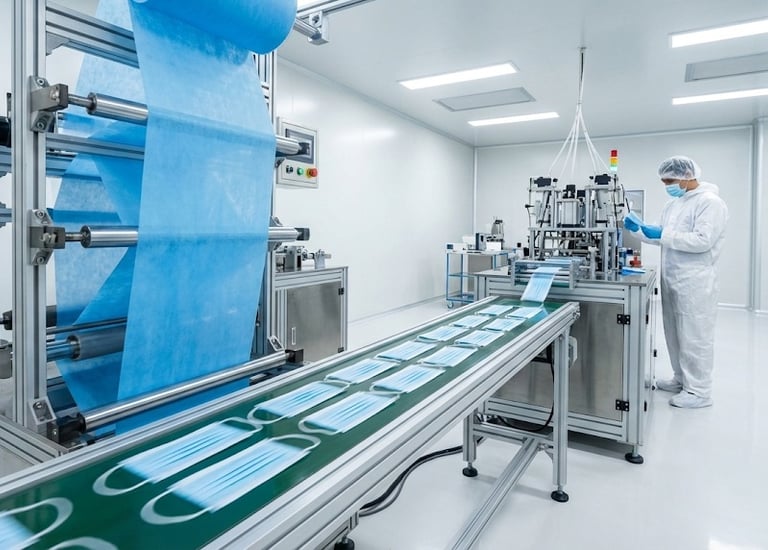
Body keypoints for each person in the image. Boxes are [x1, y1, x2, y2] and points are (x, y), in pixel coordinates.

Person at [623, 156, 728, 408]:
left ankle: (699, 391)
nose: (667, 185)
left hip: (695, 280)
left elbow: (702, 240)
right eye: (664, 181)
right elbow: (661, 236)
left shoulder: (710, 202)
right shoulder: (674, 204)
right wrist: (638, 229)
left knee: (695, 336)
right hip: (672, 277)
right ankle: (680, 379)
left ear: (687, 176)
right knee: (674, 332)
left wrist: (663, 233)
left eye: (669, 180)